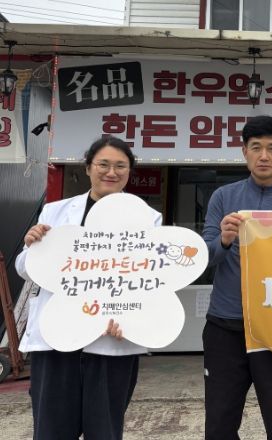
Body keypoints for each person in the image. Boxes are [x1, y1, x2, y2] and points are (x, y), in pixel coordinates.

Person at [15, 136, 162, 440]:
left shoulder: (148, 219)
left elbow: (150, 280)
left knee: (104, 431)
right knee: (52, 431)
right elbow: (25, 270)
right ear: (87, 167)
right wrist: (33, 246)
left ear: (130, 171)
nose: (111, 172)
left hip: (111, 341)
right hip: (57, 340)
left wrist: (133, 320)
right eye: (103, 164)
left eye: (120, 166)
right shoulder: (55, 212)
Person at [201, 115, 272, 440]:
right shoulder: (223, 198)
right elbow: (204, 257)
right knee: (219, 424)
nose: (264, 156)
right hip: (224, 326)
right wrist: (223, 240)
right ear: (244, 152)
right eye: (256, 147)